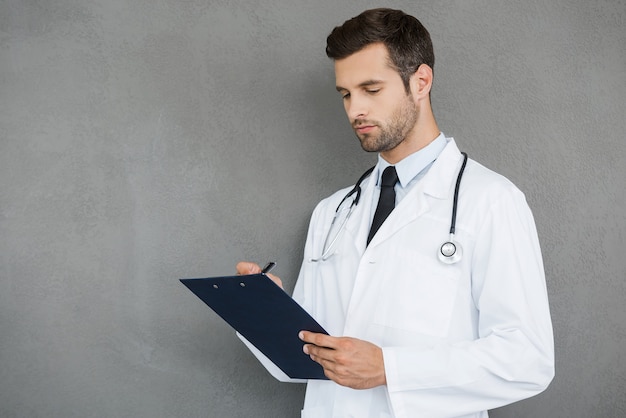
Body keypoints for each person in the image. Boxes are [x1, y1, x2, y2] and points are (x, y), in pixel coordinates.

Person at [237, 8, 554, 418]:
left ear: (420, 82)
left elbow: (527, 359)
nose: (355, 111)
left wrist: (390, 369)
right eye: (347, 94)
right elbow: (304, 363)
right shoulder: (332, 213)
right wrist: (265, 309)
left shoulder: (491, 200)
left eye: (371, 89)